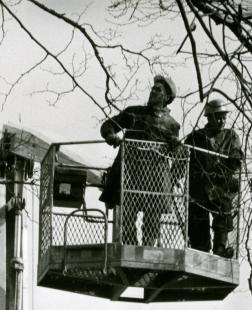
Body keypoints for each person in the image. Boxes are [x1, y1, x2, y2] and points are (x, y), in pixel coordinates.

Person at [100, 75, 180, 246]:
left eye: (158, 90)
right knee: (127, 213)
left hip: (156, 178)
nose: (152, 91)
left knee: (152, 219)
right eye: (153, 88)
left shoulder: (171, 124)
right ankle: (128, 246)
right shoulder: (133, 113)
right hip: (132, 173)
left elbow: (179, 156)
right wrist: (112, 136)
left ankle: (149, 249)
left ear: (166, 97)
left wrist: (172, 177)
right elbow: (108, 125)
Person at [185, 98, 243, 258]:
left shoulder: (231, 136)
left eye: (224, 117)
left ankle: (220, 248)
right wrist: (176, 175)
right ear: (209, 118)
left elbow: (237, 154)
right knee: (197, 222)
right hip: (199, 188)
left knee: (224, 212)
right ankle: (200, 253)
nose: (222, 120)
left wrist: (235, 157)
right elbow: (182, 157)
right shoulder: (196, 137)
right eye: (218, 116)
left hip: (221, 187)